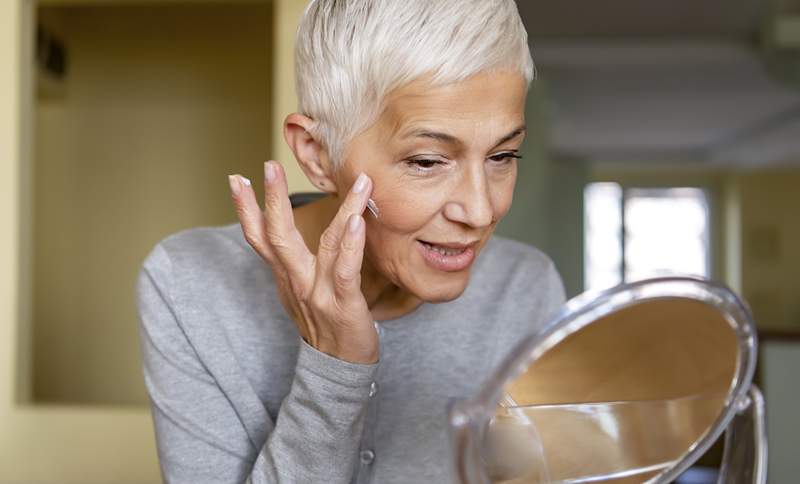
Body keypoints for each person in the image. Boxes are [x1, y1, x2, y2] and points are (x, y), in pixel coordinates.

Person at [136, 0, 566, 482]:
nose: (481, 210)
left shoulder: (526, 289)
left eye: (503, 155)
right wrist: (335, 368)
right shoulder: (193, 282)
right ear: (318, 155)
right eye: (426, 161)